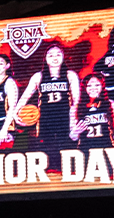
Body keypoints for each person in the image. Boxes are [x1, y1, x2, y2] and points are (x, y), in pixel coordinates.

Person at [17, 41, 80, 170]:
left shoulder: (70, 75)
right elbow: (24, 97)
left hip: (64, 118)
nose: (55, 58)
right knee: (46, 152)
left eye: (58, 54)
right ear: (45, 59)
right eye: (51, 55)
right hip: (45, 120)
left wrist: (73, 119)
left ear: (63, 57)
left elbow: (76, 101)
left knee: (66, 151)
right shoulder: (38, 76)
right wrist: (16, 113)